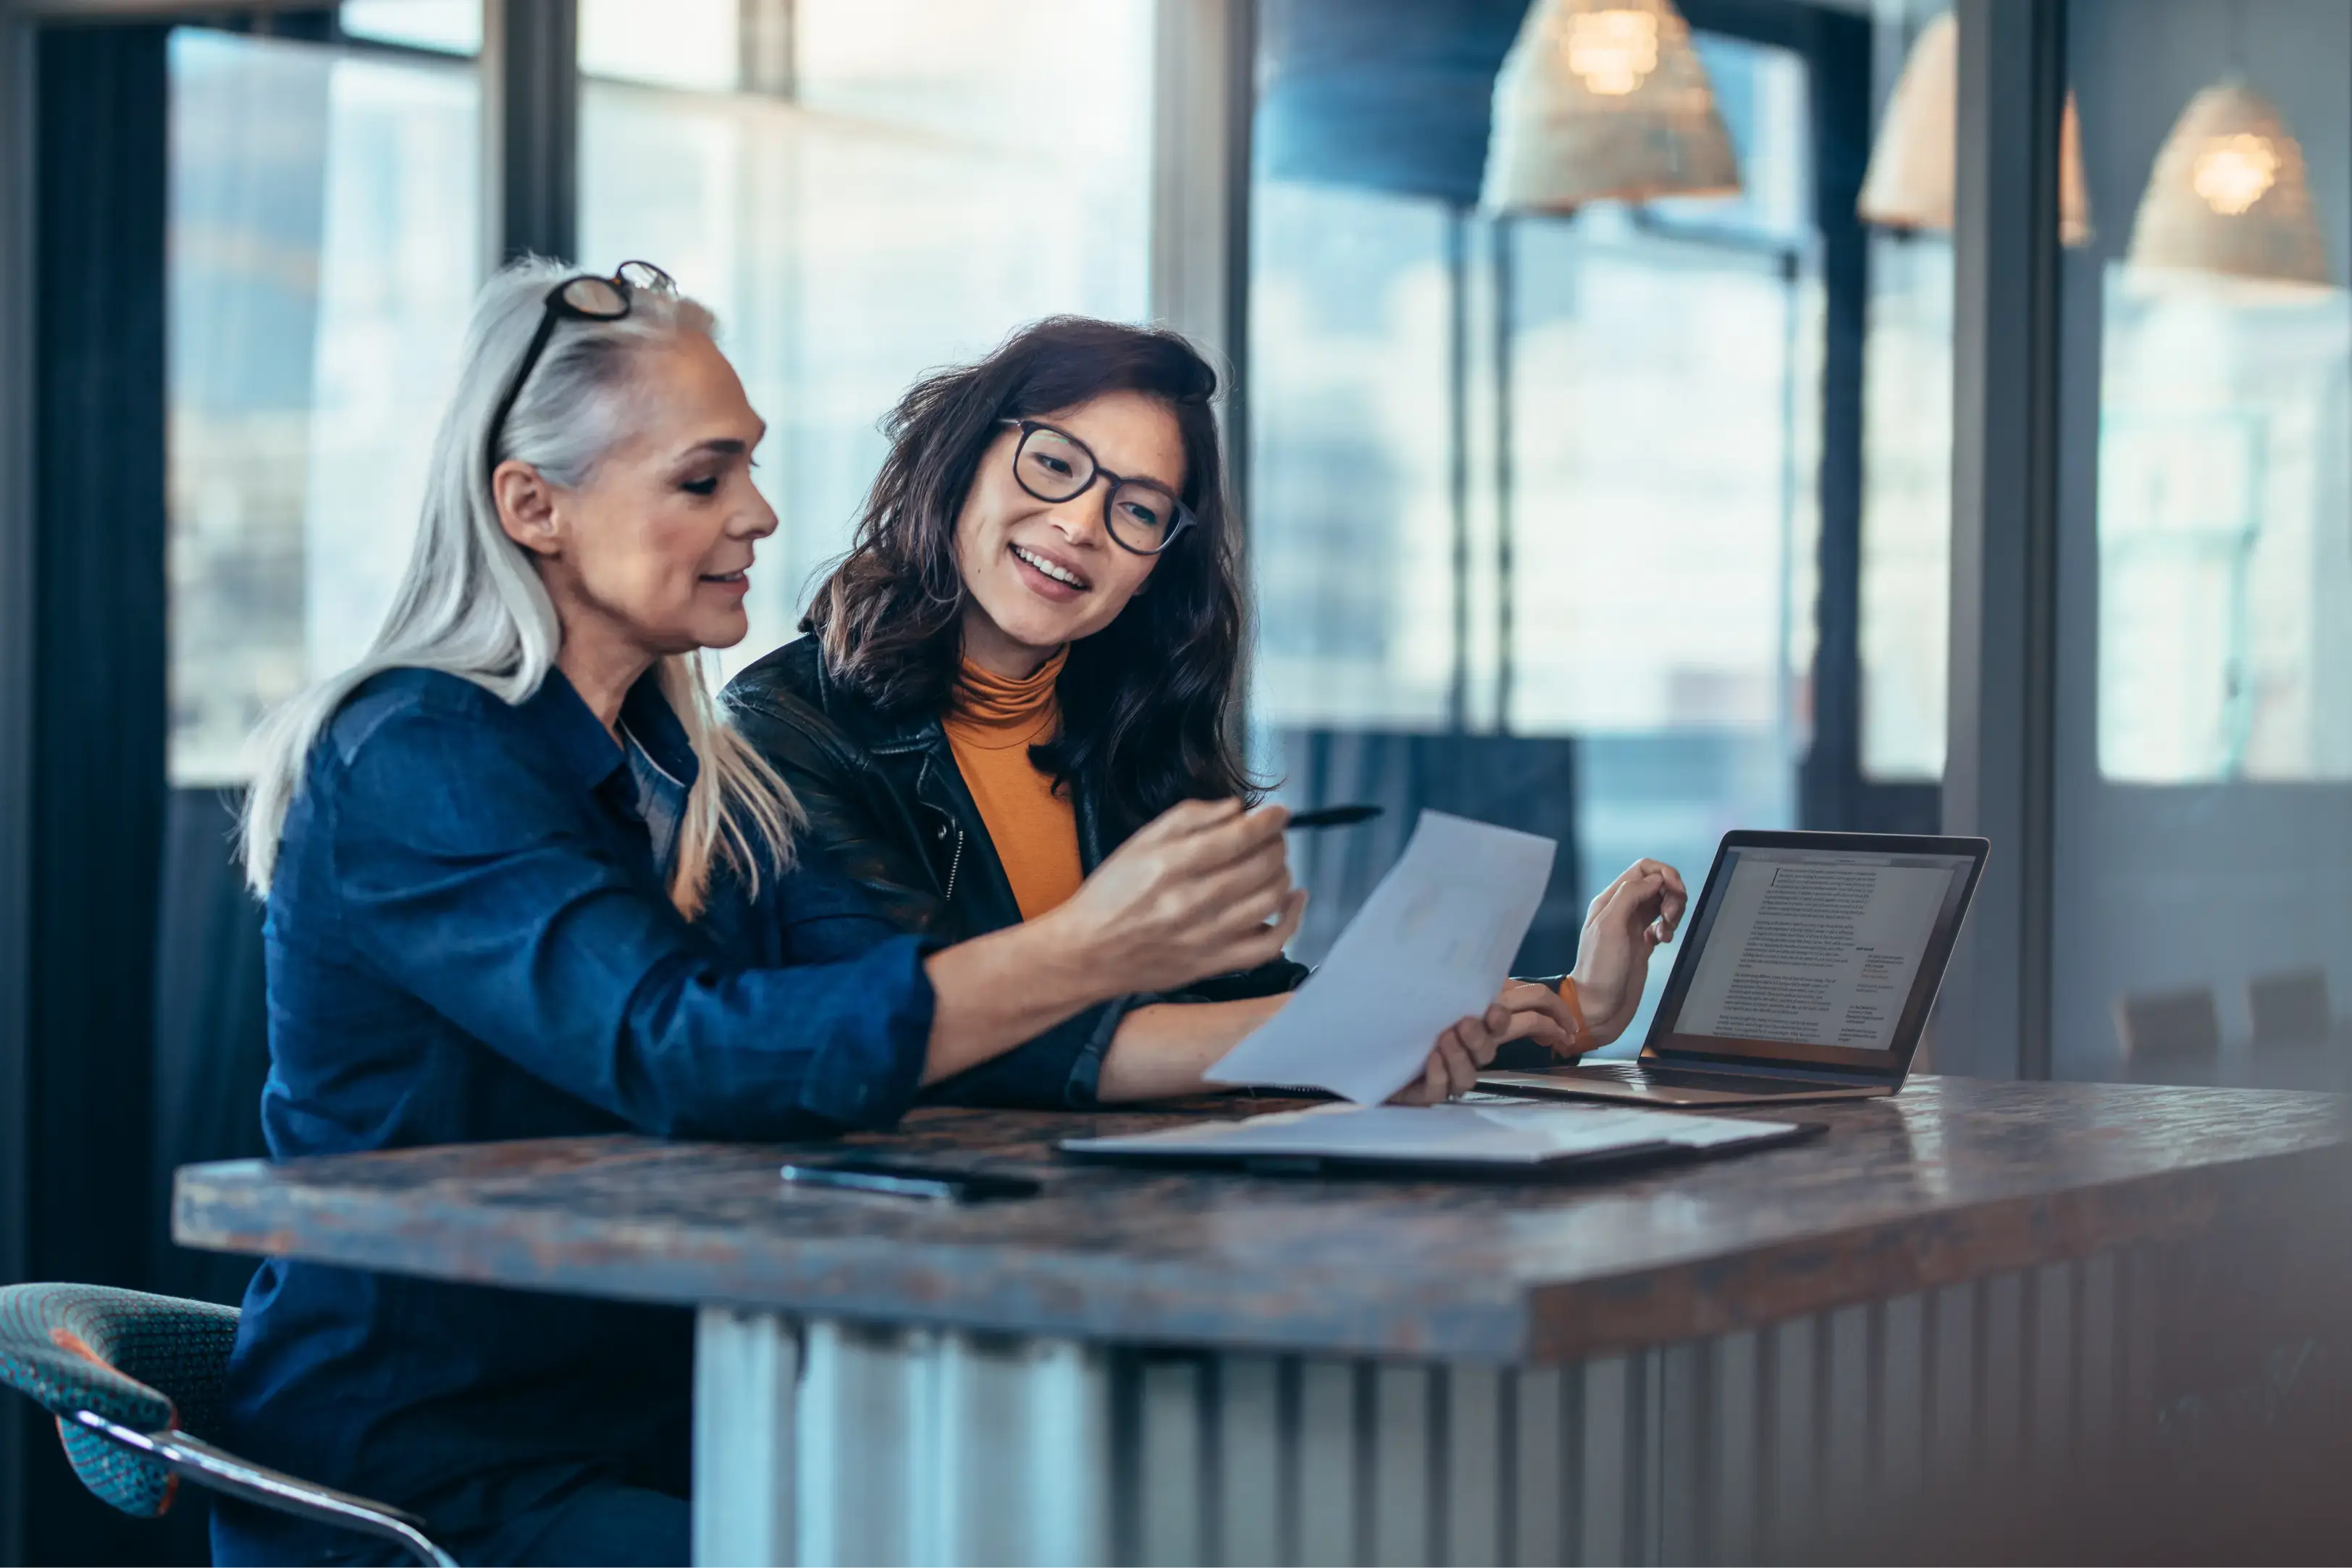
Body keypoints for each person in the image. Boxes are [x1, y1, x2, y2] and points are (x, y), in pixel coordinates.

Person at [214, 264, 1511, 1568]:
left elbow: (919, 1012)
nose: (761, 516)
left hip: (663, 1419)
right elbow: (685, 1049)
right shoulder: (412, 752)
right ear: (532, 505)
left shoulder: (694, 767)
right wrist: (1093, 947)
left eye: (751, 471)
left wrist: (1350, 1036)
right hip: (436, 1475)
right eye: (703, 479)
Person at [726, 317, 1688, 1105]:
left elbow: (1237, 1003)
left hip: (1133, 1224)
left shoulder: (1125, 730)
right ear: (963, 458)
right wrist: (1356, 1035)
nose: (1080, 524)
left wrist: (1572, 1006)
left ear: (1156, 568)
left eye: (1138, 509)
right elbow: (940, 1031)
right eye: (1054, 463)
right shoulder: (783, 729)